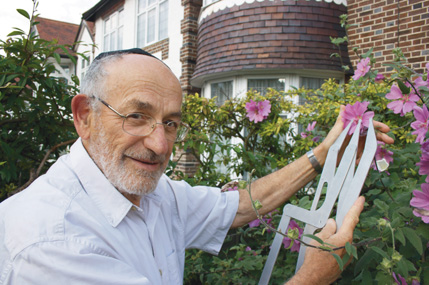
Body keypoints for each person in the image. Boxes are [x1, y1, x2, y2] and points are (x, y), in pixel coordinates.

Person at [0, 48, 394, 284]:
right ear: (84, 116)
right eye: (137, 116)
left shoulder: (151, 193)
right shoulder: (53, 242)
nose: (159, 144)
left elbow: (240, 206)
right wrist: (315, 275)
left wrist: (323, 153)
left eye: (171, 123)